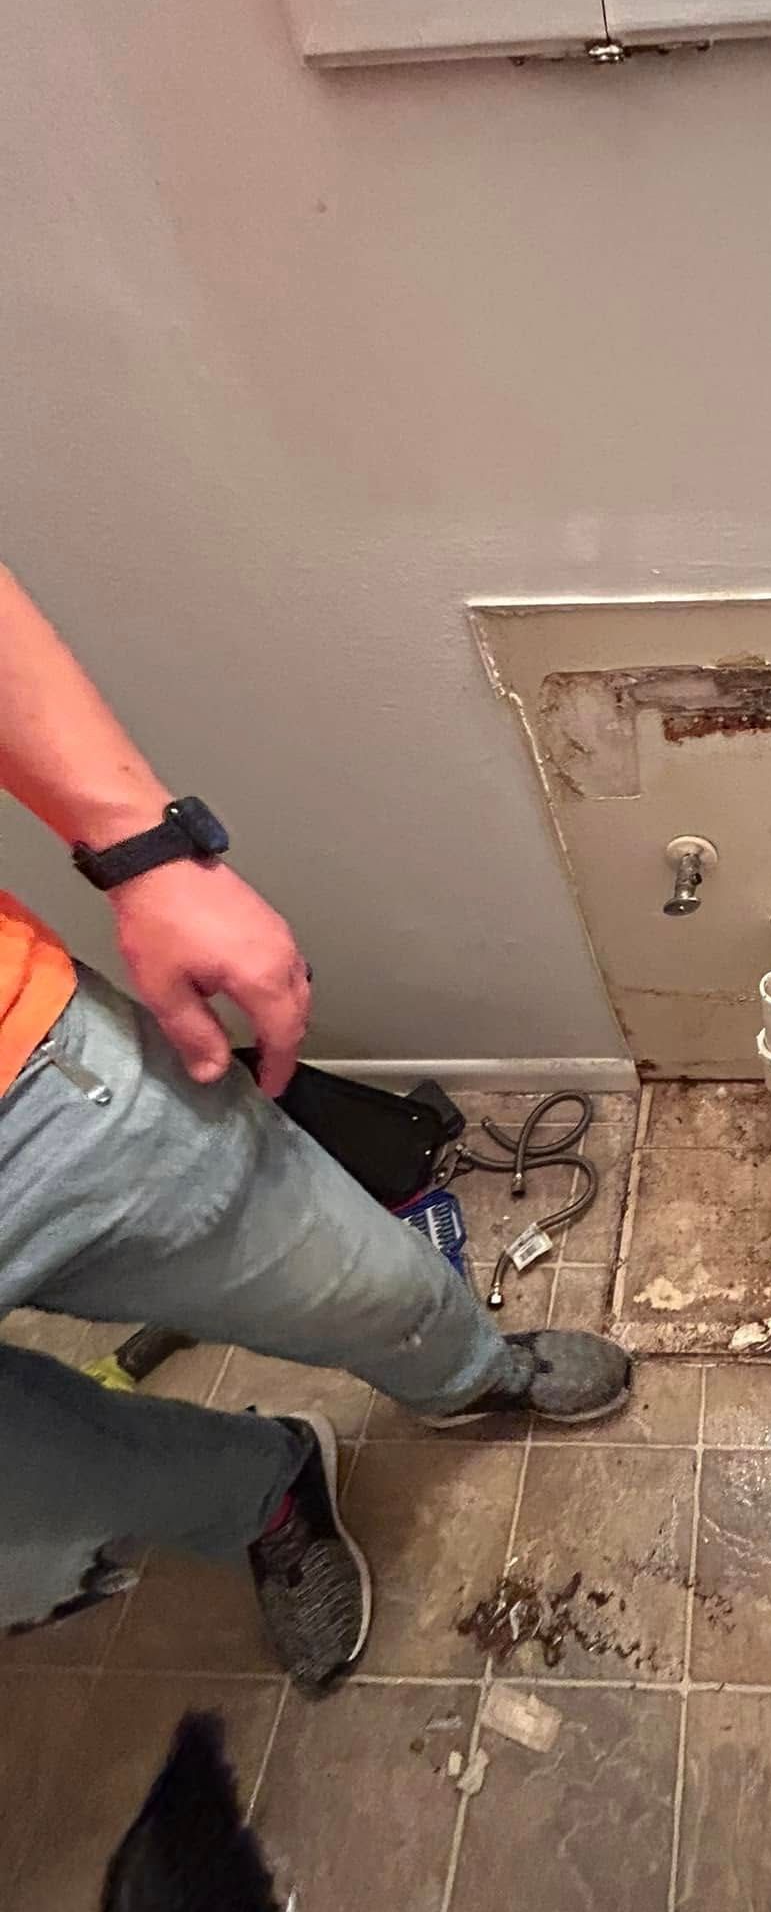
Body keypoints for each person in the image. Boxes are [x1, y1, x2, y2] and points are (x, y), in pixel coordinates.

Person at [0, 565, 632, 1694]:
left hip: (26, 1090)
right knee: (40, 1506)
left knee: (351, 1278)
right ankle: (263, 1495)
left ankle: (467, 1372)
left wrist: (140, 845)